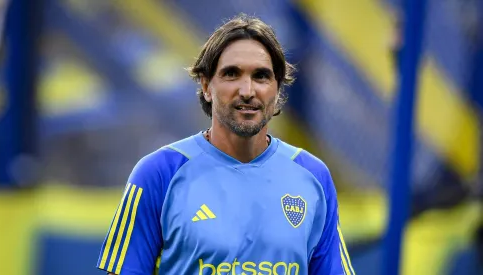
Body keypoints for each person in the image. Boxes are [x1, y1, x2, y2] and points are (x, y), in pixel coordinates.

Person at [96, 14, 355, 275]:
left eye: (261, 76)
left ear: (277, 90)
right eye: (232, 74)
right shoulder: (159, 173)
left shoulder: (313, 176)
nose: (247, 90)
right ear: (207, 86)